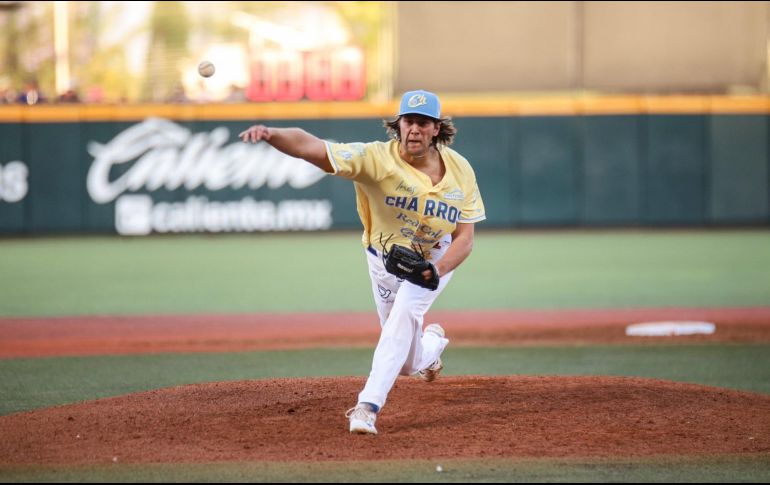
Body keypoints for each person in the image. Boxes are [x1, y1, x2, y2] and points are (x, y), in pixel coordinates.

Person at [239, 90, 486, 435]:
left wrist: (436, 270)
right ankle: (431, 347)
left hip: (435, 258)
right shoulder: (375, 160)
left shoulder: (460, 170)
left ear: (436, 129)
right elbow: (315, 148)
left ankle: (367, 406)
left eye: (423, 123)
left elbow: (466, 239)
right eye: (408, 121)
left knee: (404, 313)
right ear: (398, 125)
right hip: (385, 263)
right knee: (406, 362)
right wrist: (271, 134)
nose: (414, 129)